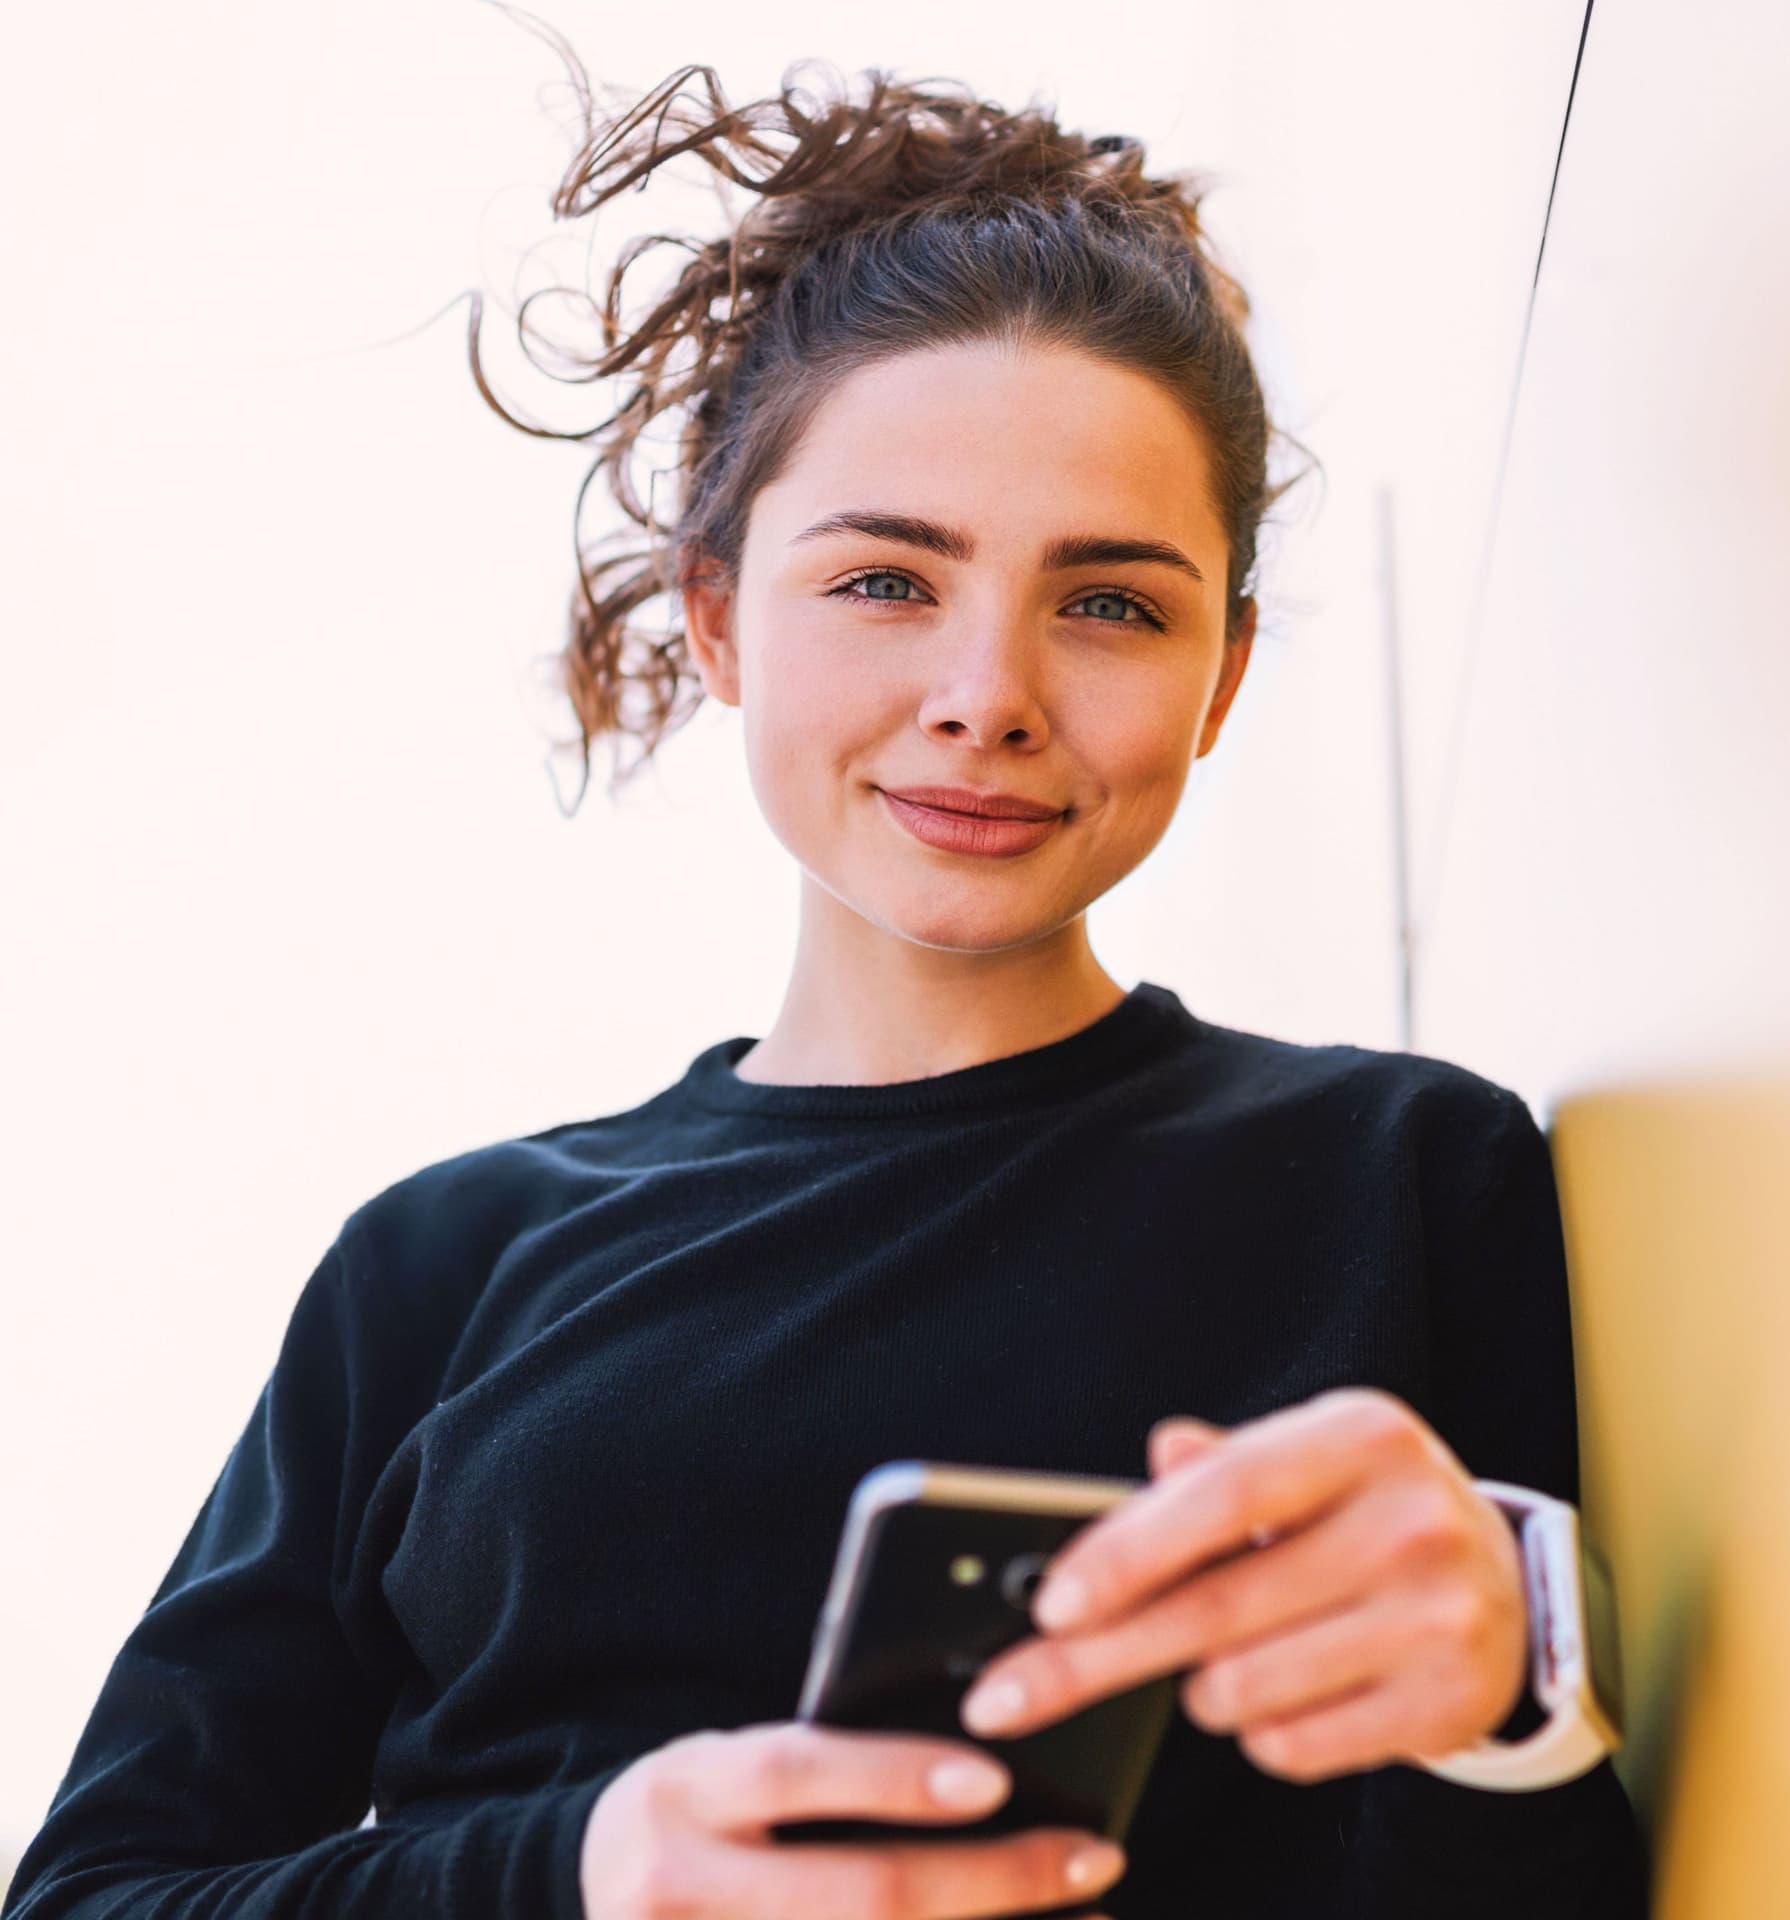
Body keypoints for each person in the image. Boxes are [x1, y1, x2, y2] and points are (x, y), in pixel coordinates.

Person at [1, 36, 1650, 1920]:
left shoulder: (1411, 1176)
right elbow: (95, 1902)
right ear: (717, 616)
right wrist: (589, 1870)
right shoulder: (441, 1267)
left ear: (1228, 674)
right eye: (884, 580)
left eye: (1110, 602)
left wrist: (1496, 1720)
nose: (988, 695)